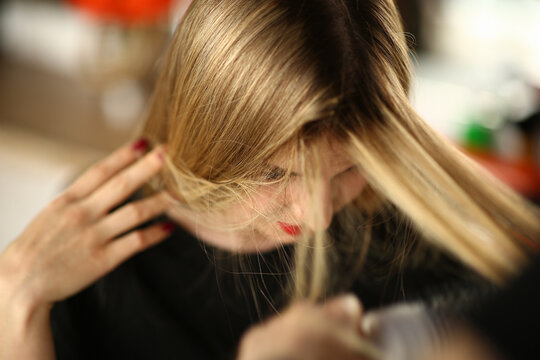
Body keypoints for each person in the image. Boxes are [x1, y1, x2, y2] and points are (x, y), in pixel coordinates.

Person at [0, 0, 538, 359]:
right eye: (275, 173)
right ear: (207, 128)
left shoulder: (407, 230)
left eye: (351, 168)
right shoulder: (94, 242)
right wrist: (17, 308)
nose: (319, 215)